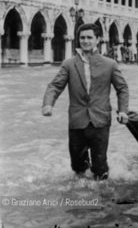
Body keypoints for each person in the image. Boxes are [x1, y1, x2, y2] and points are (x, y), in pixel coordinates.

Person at [42, 23, 129, 181]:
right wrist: (48, 103)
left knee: (100, 167)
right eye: (82, 37)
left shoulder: (110, 64)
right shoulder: (69, 64)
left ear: (97, 39)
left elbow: (122, 88)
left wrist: (123, 111)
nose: (85, 41)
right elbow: (55, 86)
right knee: (77, 166)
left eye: (89, 37)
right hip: (77, 121)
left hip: (100, 121)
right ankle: (81, 197)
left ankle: (100, 199)